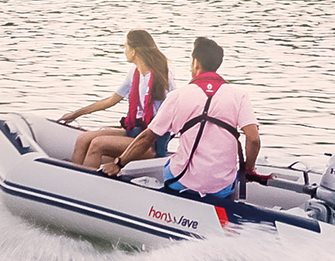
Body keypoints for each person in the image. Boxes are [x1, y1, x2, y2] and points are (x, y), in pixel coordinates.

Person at [101, 36, 259, 203]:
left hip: (182, 181)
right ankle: (230, 210)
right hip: (222, 187)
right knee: (229, 179)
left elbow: (148, 137)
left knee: (170, 164)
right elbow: (253, 139)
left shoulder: (177, 96)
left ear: (196, 63)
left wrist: (118, 164)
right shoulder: (239, 96)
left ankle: (166, 206)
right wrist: (248, 169)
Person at [59, 30, 173, 169]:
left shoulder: (161, 78)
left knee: (97, 144)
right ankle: (73, 177)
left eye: (126, 47)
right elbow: (111, 100)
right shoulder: (135, 71)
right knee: (83, 139)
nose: (124, 51)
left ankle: (84, 184)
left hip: (150, 143)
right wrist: (76, 114)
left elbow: (171, 112)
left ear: (134, 51)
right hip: (135, 132)